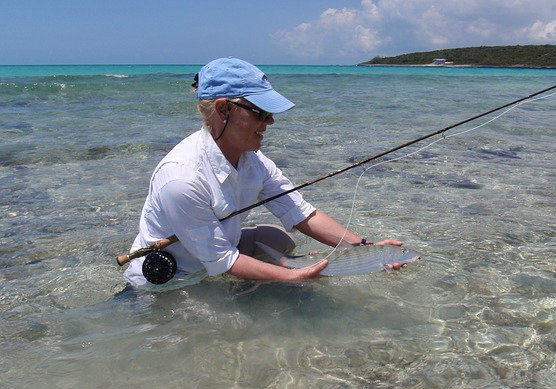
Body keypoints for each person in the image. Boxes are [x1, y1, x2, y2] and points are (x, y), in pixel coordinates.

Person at [124, 57, 405, 287]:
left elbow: (300, 212)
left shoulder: (253, 160)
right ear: (223, 109)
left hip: (216, 255)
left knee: (277, 239)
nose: (270, 121)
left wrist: (364, 247)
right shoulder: (181, 179)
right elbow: (223, 260)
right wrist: (296, 275)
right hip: (175, 280)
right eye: (260, 112)